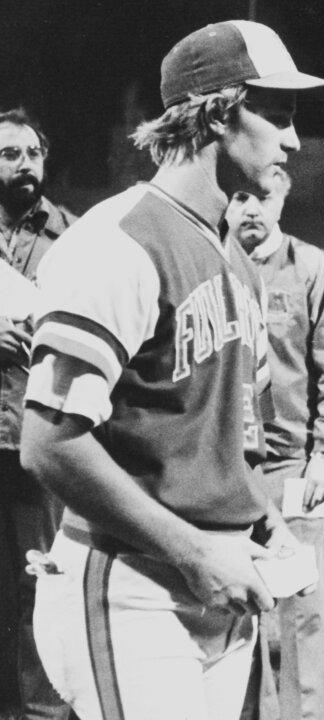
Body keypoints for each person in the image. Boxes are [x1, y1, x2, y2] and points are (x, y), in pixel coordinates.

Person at [19, 21, 324, 720]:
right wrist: (193, 551)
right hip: (131, 581)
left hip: (219, 580)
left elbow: (213, 429)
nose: (292, 139)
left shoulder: (229, 249)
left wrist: (259, 521)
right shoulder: (119, 241)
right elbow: (47, 441)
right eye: (278, 115)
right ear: (220, 112)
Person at [228, 166, 324, 720]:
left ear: (284, 197)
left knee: (301, 601)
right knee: (234, 599)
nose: (251, 208)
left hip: (292, 465)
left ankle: (309, 715)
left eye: (264, 196)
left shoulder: (309, 267)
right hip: (224, 464)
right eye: (239, 195)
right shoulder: (209, 259)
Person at [0, 108, 76, 720]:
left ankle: (43, 708)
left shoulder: (73, 239)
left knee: (39, 579)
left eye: (32, 153)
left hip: (38, 434)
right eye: (8, 154)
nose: (23, 165)